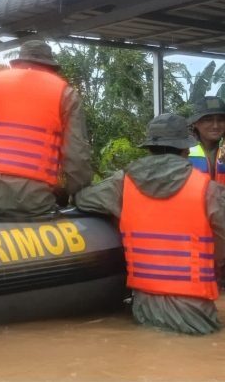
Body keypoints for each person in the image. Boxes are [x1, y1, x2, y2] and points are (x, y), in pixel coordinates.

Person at [75, 113, 225, 335]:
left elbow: (82, 199)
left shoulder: (122, 183)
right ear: (185, 150)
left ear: (149, 148)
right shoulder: (210, 191)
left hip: (145, 308)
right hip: (194, 313)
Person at [0, 40, 92, 218]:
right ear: (51, 68)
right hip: (30, 196)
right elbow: (76, 156)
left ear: (19, 63)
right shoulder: (66, 95)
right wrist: (78, 194)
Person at [188, 96, 225, 182]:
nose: (215, 126)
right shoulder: (182, 150)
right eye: (208, 120)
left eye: (221, 120)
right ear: (195, 123)